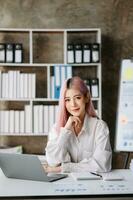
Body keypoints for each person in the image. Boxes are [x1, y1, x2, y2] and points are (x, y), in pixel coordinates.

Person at [45, 76, 112, 173]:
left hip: (93, 184)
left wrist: (62, 168)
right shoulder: (56, 128)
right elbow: (52, 162)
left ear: (87, 97)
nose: (73, 104)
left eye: (77, 98)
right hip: (63, 184)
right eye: (67, 100)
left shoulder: (99, 127)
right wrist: (65, 131)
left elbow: (102, 165)